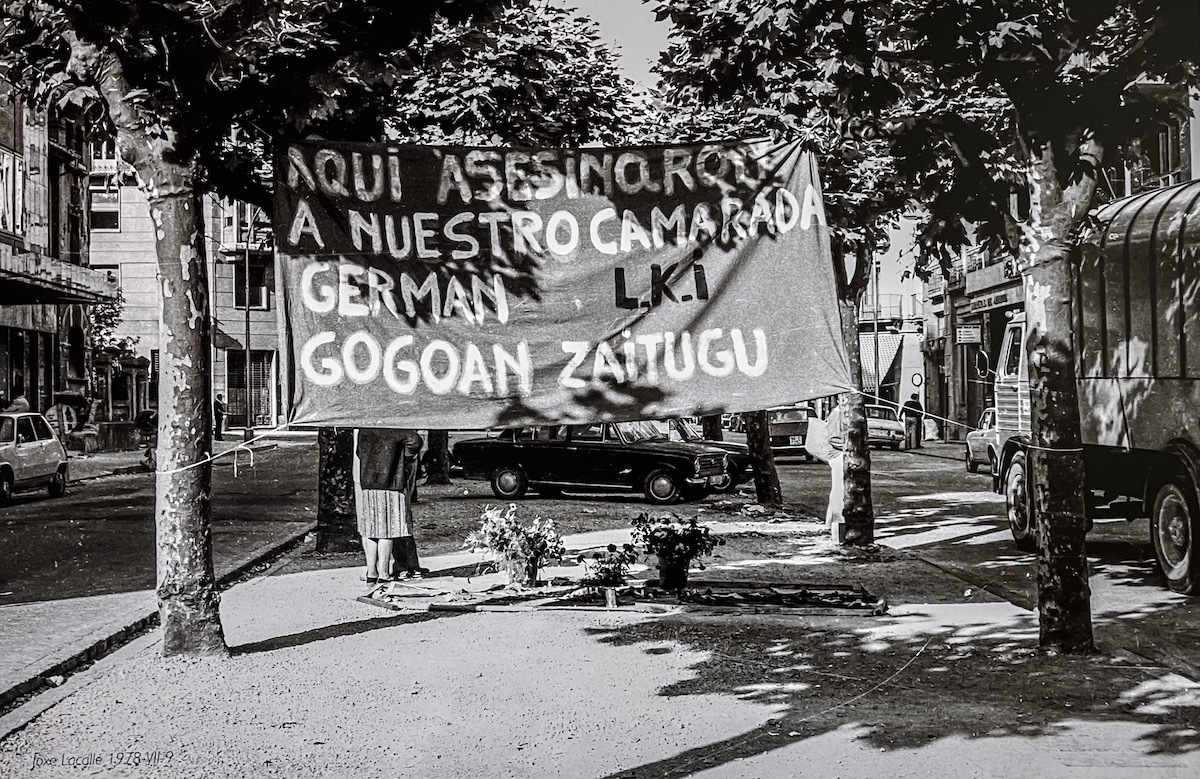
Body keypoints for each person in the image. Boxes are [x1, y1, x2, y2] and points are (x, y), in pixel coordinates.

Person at [354, 427, 425, 585]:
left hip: (368, 482)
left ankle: (371, 572)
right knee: (387, 530)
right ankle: (384, 573)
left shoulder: (365, 428)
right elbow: (415, 441)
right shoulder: (396, 427)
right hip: (392, 484)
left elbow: (359, 452)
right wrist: (403, 457)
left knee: (369, 529)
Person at [805, 395, 847, 539]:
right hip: (838, 455)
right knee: (839, 491)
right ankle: (836, 525)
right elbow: (833, 438)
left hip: (838, 455)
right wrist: (848, 447)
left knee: (838, 490)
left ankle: (830, 524)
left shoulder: (839, 412)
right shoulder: (838, 413)